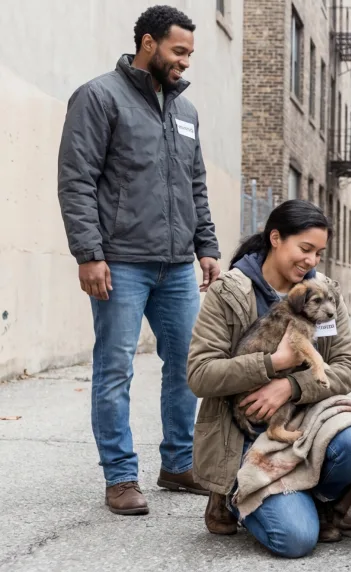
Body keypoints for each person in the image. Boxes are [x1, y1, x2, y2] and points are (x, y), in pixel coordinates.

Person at [56, 5, 220, 515]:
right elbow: (76, 180)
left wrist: (207, 246)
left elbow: (195, 185)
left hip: (176, 265)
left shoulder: (186, 112)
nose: (185, 62)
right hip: (120, 261)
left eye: (190, 53)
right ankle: (121, 477)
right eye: (178, 51)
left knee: (188, 367)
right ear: (148, 44)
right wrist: (89, 253)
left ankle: (177, 463)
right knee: (115, 368)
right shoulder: (99, 97)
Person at [187, 200, 351, 558]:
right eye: (304, 249)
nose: (311, 261)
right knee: (296, 539)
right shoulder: (229, 290)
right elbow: (199, 374)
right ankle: (231, 492)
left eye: (318, 253)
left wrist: (290, 386)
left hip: (301, 419)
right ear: (275, 238)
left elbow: (348, 366)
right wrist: (273, 363)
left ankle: (316, 495)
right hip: (243, 430)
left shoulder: (324, 294)